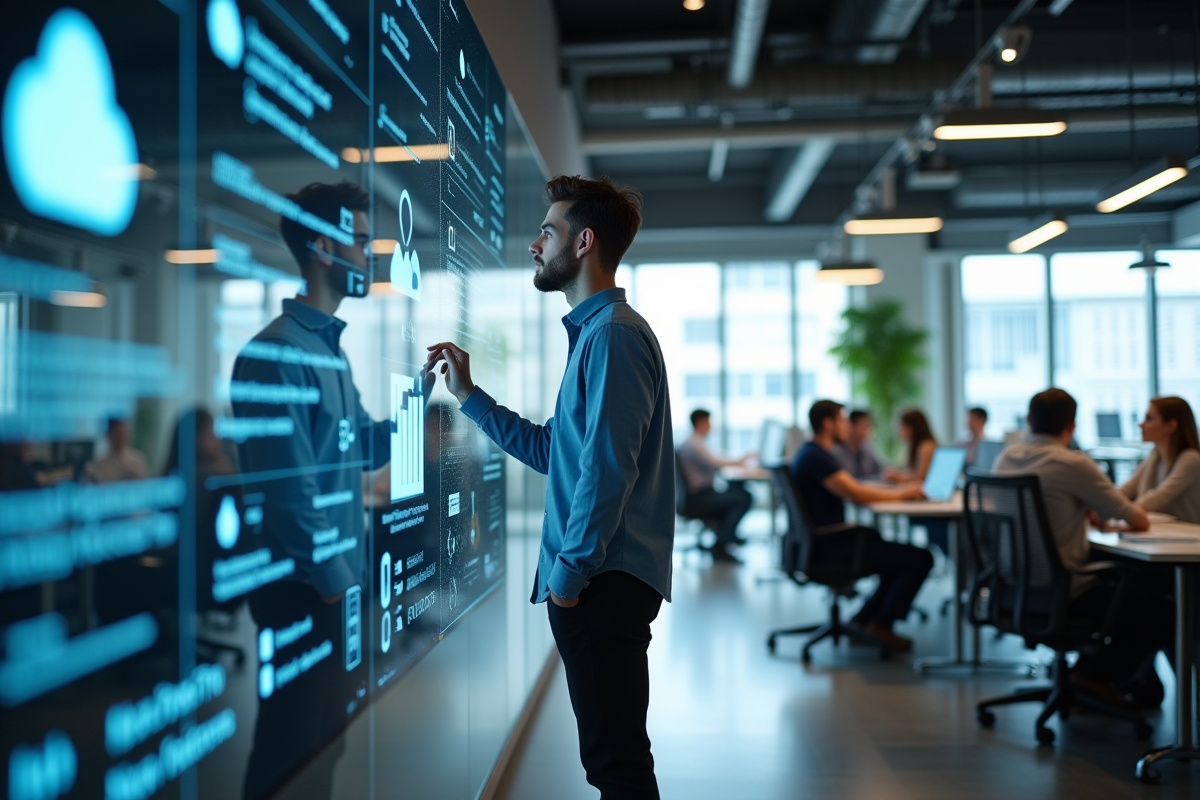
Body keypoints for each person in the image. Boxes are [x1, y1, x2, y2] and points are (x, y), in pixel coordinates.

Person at [425, 175, 671, 800]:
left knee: (617, 767)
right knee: (615, 762)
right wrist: (470, 398)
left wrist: (568, 579)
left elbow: (606, 472)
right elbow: (552, 451)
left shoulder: (612, 335)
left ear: (584, 242)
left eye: (547, 232)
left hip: (600, 583)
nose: (536, 245)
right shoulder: (595, 336)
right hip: (598, 581)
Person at [232, 182, 393, 800]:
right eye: (360, 241)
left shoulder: (328, 353)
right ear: (325, 248)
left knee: (326, 745)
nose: (369, 254)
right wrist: (336, 583)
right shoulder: (274, 355)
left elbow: (359, 447)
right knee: (288, 753)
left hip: (336, 584)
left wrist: (423, 404)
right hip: (306, 589)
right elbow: (287, 493)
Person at [993, 388, 1171, 706]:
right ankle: (1093, 675)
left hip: (1011, 590)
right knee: (1160, 609)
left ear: (1030, 421)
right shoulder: (1073, 463)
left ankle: (1098, 679)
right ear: (1072, 427)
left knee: (1131, 591)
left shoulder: (1005, 458)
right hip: (1062, 595)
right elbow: (1138, 520)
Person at [790, 400, 934, 652]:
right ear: (828, 423)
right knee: (920, 558)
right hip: (830, 548)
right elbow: (856, 492)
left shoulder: (814, 453)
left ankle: (864, 619)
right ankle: (881, 624)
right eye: (842, 420)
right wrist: (903, 493)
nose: (847, 427)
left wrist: (897, 488)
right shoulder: (817, 457)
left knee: (893, 553)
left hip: (821, 543)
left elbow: (856, 485)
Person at [677, 408, 753, 562]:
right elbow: (716, 462)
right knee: (744, 497)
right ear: (701, 422)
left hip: (699, 494)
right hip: (698, 498)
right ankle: (721, 543)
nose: (711, 426)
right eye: (708, 422)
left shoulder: (695, 441)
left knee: (736, 490)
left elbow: (715, 458)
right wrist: (741, 460)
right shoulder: (694, 443)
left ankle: (727, 536)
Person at [1119, 396, 1200, 524]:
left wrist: (1119, 511)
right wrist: (1104, 504)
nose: (1141, 424)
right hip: (1162, 534)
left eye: (1149, 419)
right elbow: (1127, 489)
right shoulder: (1154, 457)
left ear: (1171, 425)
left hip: (1188, 537)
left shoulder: (1191, 459)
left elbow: (1159, 498)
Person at [85, 417, 148, 483]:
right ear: (109, 435)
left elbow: (143, 486)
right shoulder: (99, 465)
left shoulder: (138, 460)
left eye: (124, 433)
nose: (121, 437)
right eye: (117, 433)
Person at [885, 408, 937, 484]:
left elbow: (922, 479)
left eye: (902, 427)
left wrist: (899, 479)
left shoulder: (926, 447)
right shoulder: (917, 445)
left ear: (912, 428)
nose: (898, 431)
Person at [832, 409, 885, 479]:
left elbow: (881, 468)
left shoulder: (867, 448)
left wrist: (888, 472)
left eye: (869, 426)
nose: (868, 430)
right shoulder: (836, 451)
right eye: (865, 425)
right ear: (851, 425)